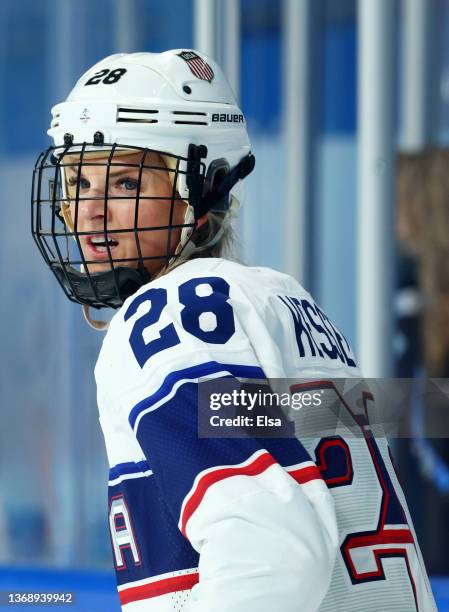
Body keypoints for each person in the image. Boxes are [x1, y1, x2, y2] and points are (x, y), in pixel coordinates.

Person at [32, 50, 436, 611]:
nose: (88, 211)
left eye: (124, 182)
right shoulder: (278, 304)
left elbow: (272, 558)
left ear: (205, 193)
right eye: (77, 181)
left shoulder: (169, 319)